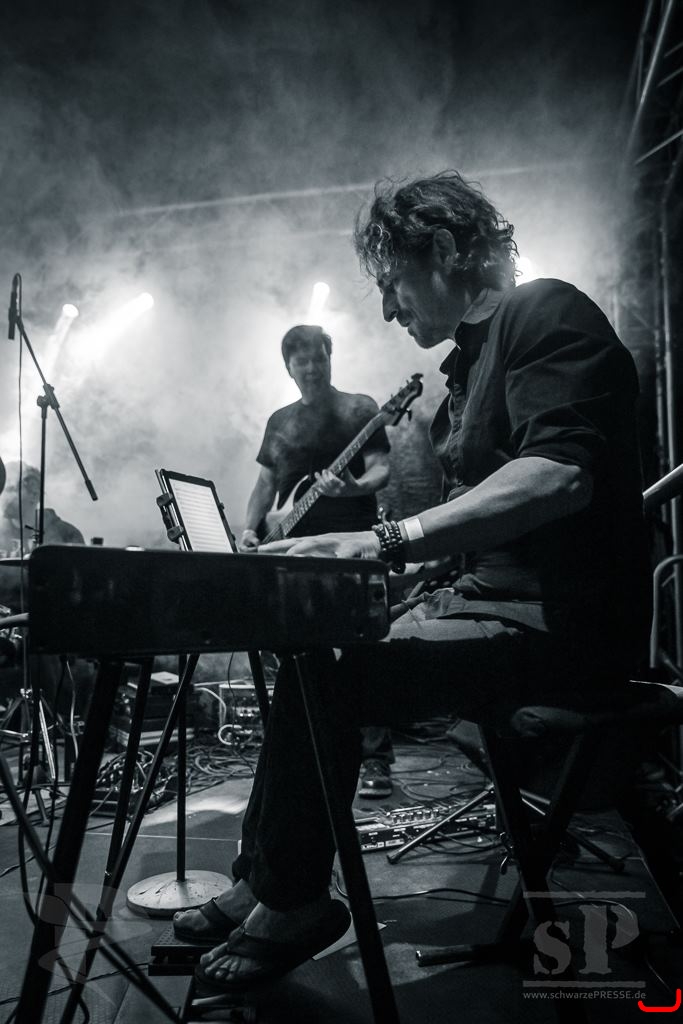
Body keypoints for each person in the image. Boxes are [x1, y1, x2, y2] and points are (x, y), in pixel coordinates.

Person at [175, 170, 650, 994]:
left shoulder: (545, 311)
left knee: (329, 671)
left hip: (561, 630)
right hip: (491, 609)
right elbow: (481, 528)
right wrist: (377, 578)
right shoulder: (467, 368)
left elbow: (558, 476)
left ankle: (293, 900)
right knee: (312, 645)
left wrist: (385, 539)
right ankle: (265, 878)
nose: (389, 311)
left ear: (443, 249)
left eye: (392, 283)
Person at [238, 324, 396, 798]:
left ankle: (375, 758)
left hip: (350, 545)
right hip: (291, 548)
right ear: (288, 367)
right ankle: (305, 746)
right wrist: (250, 528)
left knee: (363, 646)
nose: (311, 368)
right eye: (301, 361)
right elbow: (265, 485)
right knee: (294, 648)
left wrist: (352, 489)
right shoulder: (279, 420)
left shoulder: (361, 409)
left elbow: (382, 470)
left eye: (319, 358)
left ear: (330, 358)